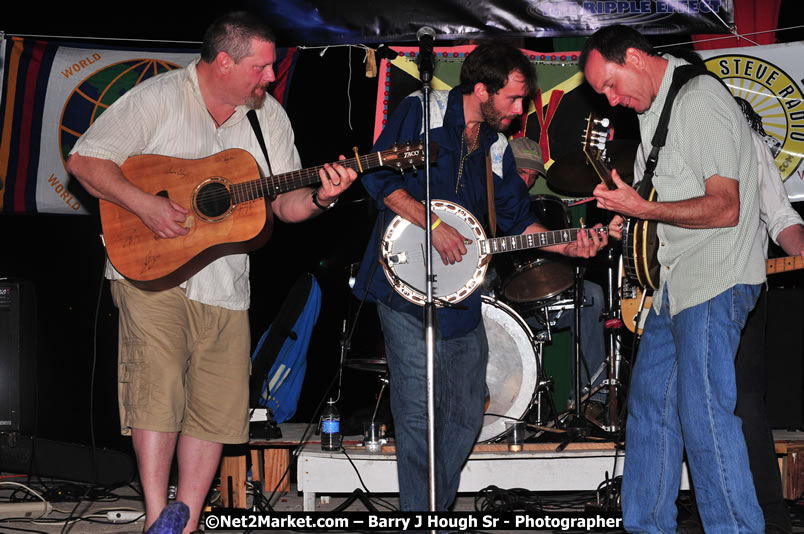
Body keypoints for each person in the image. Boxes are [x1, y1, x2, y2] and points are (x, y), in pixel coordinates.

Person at [66, 12, 357, 533]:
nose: (270, 77)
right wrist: (147, 206)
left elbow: (286, 207)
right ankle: (158, 515)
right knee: (157, 394)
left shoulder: (268, 117)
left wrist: (320, 196)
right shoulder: (158, 97)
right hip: (150, 270)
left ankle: (189, 520)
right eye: (261, 67)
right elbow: (86, 161)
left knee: (215, 404)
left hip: (226, 283)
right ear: (224, 62)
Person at [352, 40, 608, 516]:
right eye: (512, 99)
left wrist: (567, 243)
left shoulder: (494, 146)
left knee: (469, 410)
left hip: (463, 294)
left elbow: (514, 217)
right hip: (402, 285)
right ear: (481, 89)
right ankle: (423, 518)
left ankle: (432, 510)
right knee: (415, 412)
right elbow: (375, 177)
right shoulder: (421, 111)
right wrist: (431, 222)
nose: (518, 110)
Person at [581, 25, 767, 532]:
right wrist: (630, 218)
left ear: (637, 58)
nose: (613, 100)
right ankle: (645, 525)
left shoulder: (699, 98)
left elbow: (725, 207)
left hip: (716, 275)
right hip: (674, 284)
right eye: (604, 94)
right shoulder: (654, 115)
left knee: (703, 413)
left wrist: (644, 206)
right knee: (650, 411)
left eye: (612, 85)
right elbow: (662, 208)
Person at [507, 137, 608, 414]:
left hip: (545, 286)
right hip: (502, 296)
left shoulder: (530, 208)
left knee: (592, 295)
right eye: (520, 172)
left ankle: (591, 399)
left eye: (532, 175)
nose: (526, 181)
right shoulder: (490, 199)